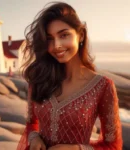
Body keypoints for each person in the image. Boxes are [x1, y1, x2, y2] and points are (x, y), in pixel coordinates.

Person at [17, 2, 123, 150]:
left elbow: (112, 145)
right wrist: (34, 138)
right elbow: (31, 123)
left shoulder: (103, 86)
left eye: (64, 35)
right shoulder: (39, 78)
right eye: (49, 38)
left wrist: (77, 148)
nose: (56, 45)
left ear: (80, 35)